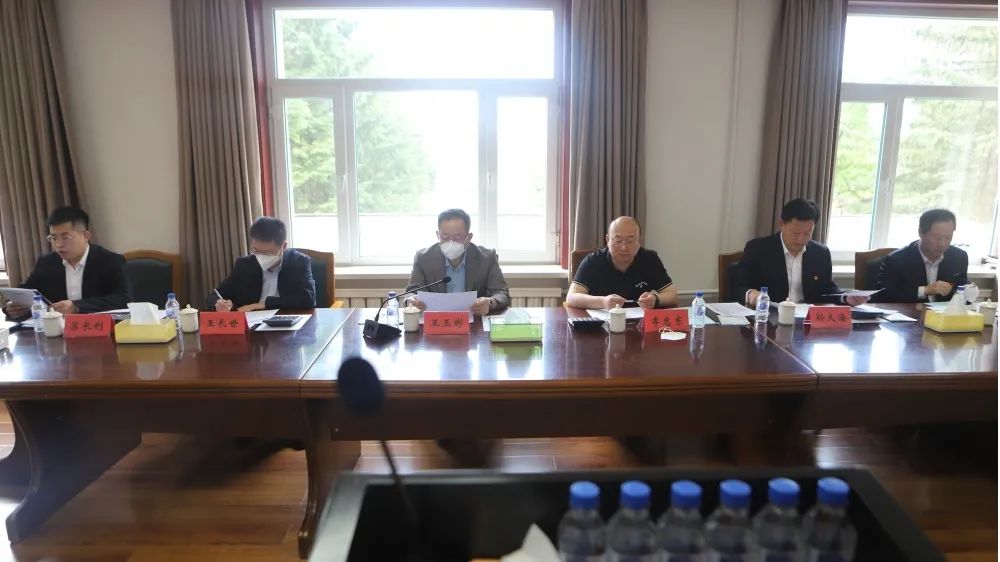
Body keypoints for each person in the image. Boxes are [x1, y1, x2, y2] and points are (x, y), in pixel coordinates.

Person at [736, 198, 868, 307]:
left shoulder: (820, 253)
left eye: (807, 233)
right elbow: (738, 286)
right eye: (796, 233)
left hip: (808, 321)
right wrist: (751, 294)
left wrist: (846, 297)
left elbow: (827, 289)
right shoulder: (758, 248)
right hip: (770, 317)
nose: (800, 239)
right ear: (782, 224)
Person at [2, 206, 128, 320]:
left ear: (86, 236)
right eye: (53, 238)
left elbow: (124, 299)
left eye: (65, 237)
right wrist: (12, 307)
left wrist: (77, 306)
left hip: (99, 330)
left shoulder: (110, 261)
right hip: (56, 331)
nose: (58, 244)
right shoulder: (47, 263)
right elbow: (27, 291)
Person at [405, 209, 510, 316]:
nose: (451, 242)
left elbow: (502, 294)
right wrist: (411, 300)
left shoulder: (486, 258)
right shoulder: (424, 258)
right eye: (445, 237)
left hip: (474, 320)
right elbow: (411, 293)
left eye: (457, 237)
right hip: (437, 320)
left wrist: (490, 303)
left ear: (468, 238)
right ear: (438, 235)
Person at [566, 216, 677, 310]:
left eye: (630, 241)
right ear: (607, 240)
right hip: (601, 323)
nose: (624, 247)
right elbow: (571, 297)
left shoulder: (649, 259)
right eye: (618, 241)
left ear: (639, 241)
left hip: (638, 322)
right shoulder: (593, 261)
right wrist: (603, 302)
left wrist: (655, 299)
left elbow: (672, 294)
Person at [207, 217, 315, 311]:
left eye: (267, 252)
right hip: (251, 323)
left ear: (284, 246)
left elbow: (308, 299)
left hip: (286, 321)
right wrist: (218, 303)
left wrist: (261, 305)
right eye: (256, 251)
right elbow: (215, 295)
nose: (261, 257)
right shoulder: (244, 265)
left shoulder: (299, 262)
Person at [878, 209, 968, 303]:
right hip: (911, 311)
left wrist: (969, 291)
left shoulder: (959, 257)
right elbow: (885, 296)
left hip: (945, 312)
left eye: (948, 237)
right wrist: (925, 290)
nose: (942, 244)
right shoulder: (896, 260)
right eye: (937, 238)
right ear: (921, 232)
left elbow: (961, 290)